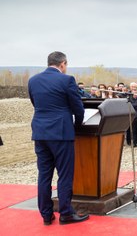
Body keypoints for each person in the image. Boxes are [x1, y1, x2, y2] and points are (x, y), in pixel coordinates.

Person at [28, 51, 89, 225]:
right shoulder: (66, 80)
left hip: (40, 133)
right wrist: (77, 125)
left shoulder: (33, 81)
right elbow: (78, 108)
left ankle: (46, 215)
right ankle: (66, 213)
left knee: (44, 175)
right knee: (64, 175)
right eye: (66, 65)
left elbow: (35, 103)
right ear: (62, 64)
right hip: (61, 133)